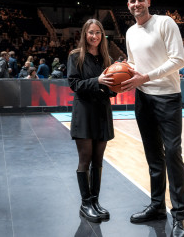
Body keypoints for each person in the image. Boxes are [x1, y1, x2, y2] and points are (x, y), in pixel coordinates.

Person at [121, 0, 184, 237]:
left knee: (172, 153)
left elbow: (178, 60)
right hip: (143, 97)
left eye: (140, 0)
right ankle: (157, 206)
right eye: (132, 1)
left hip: (168, 97)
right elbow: (131, 62)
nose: (136, 4)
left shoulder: (165, 23)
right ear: (128, 5)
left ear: (148, 2)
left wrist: (146, 77)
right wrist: (118, 69)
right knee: (153, 156)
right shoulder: (129, 32)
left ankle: (179, 215)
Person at [67, 19, 115, 223]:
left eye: (97, 32)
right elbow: (74, 84)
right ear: (84, 34)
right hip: (84, 111)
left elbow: (112, 89)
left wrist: (118, 85)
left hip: (102, 111)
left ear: (102, 35)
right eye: (90, 32)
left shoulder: (107, 58)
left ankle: (94, 201)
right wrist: (98, 81)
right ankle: (85, 203)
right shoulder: (75, 56)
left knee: (98, 159)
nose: (94, 36)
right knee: (85, 157)